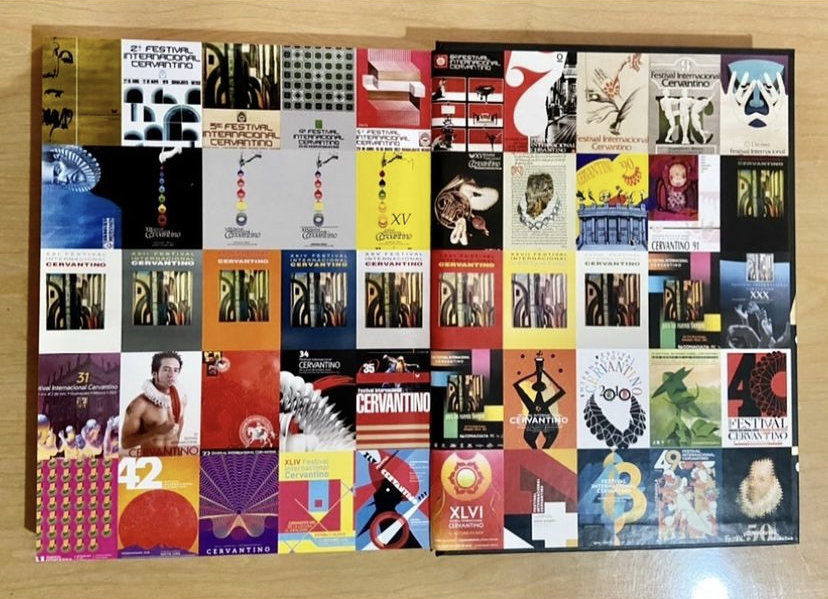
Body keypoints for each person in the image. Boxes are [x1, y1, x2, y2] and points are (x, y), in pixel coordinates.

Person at [121, 351, 188, 455]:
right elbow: (125, 443)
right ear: (154, 373)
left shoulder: (181, 398)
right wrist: (155, 432)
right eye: (166, 369)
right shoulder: (140, 404)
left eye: (176, 370)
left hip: (174, 459)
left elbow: (180, 425)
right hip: (151, 461)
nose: (171, 375)